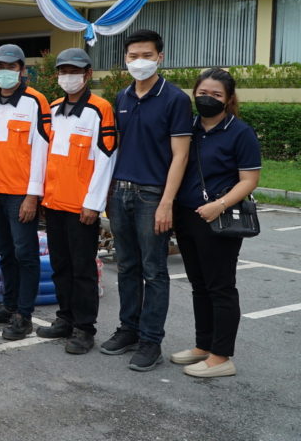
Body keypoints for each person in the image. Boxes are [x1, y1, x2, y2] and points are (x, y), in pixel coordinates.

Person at [101, 29, 192, 372]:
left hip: (153, 195)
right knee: (126, 266)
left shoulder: (175, 99)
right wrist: (108, 193)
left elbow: (180, 156)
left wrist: (167, 202)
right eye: (133, 56)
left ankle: (151, 340)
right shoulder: (122, 98)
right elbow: (115, 149)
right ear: (125, 60)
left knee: (154, 271)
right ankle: (129, 328)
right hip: (121, 191)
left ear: (160, 58)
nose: (139, 62)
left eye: (146, 55)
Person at [171, 68, 260, 378]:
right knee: (199, 285)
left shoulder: (240, 132)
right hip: (185, 215)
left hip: (218, 218)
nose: (207, 99)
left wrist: (219, 204)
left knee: (220, 287)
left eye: (216, 95)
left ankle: (222, 356)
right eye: (203, 93)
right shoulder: (189, 127)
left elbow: (249, 179)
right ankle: (203, 345)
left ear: (229, 99)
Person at [37, 48, 117, 354]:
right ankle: (65, 319)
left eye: (75, 71)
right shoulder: (55, 108)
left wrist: (93, 203)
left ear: (87, 74)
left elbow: (106, 157)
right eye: (63, 71)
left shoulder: (100, 109)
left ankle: (85, 328)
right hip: (54, 202)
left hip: (82, 206)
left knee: (83, 268)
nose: (68, 77)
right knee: (60, 265)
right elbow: (46, 156)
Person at [0, 44, 51, 341]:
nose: (4, 72)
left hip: (20, 194)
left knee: (26, 254)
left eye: (10, 67)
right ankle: (8, 305)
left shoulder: (37, 102)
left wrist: (33, 195)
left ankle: (24, 314)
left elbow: (42, 149)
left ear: (22, 70)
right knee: (5, 253)